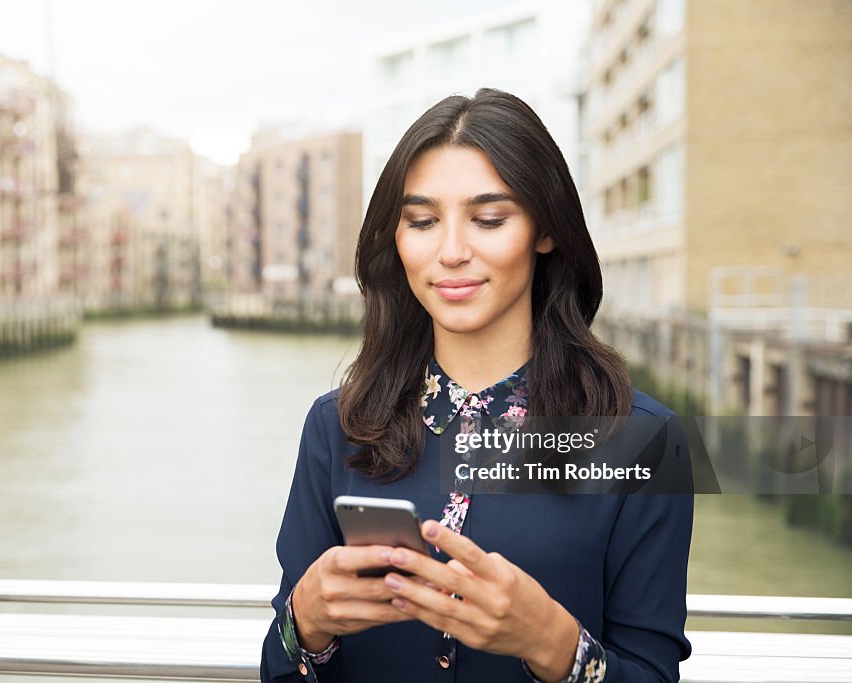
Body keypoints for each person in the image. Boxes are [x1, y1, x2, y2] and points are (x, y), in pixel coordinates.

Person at [260, 88, 693, 682]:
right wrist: (304, 622)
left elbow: (653, 673)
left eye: (489, 219)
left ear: (546, 230)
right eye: (422, 221)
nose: (452, 251)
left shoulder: (644, 442)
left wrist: (555, 645)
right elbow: (278, 668)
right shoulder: (336, 425)